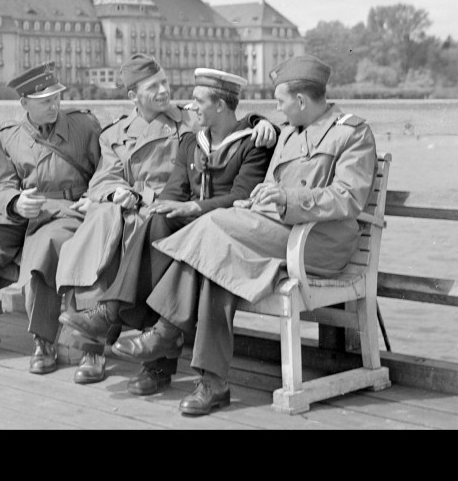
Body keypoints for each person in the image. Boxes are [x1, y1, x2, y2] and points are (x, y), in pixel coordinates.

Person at [112, 55, 378, 416]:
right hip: (276, 232)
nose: (276, 107)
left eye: (280, 100)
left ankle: (167, 330)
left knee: (212, 229)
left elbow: (349, 197)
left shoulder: (352, 132)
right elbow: (266, 179)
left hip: (318, 244)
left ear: (300, 101)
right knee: (216, 258)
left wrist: (287, 198)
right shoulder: (288, 131)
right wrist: (260, 198)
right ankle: (213, 382)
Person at [59, 68, 277, 395]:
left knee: (172, 252)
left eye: (199, 100)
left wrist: (262, 121)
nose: (190, 105)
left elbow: (240, 196)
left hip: (225, 230)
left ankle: (148, 340)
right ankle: (129, 329)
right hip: (196, 227)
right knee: (154, 221)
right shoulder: (192, 141)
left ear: (219, 105)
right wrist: (167, 205)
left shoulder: (250, 144)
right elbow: (174, 190)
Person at [0, 61, 101, 374]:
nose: (54, 106)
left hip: (64, 212)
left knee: (45, 246)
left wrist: (92, 197)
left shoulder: (84, 127)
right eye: (44, 102)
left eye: (56, 99)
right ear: (25, 103)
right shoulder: (10, 136)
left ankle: (43, 341)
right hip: (24, 213)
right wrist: (15, 202)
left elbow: (104, 172)